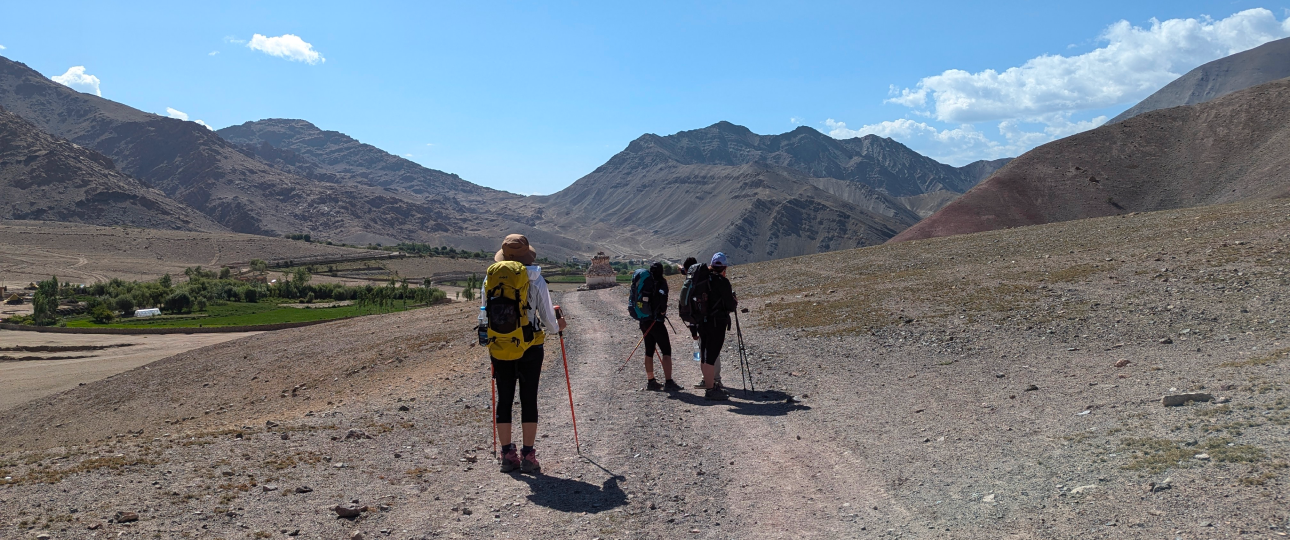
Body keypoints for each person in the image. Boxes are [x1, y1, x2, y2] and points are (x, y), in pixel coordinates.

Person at [479, 234, 566, 474]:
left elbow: (484, 315)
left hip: (499, 346)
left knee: (504, 400)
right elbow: (549, 321)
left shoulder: (490, 279)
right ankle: (528, 455)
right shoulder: (537, 280)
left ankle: (507, 455)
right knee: (528, 400)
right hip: (530, 348)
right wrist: (559, 325)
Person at [697, 252, 736, 401]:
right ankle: (711, 389)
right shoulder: (722, 282)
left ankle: (709, 385)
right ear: (724, 267)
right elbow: (730, 306)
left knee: (705, 354)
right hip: (716, 323)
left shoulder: (703, 279)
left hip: (702, 323)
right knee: (711, 357)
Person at [639, 262, 681, 391]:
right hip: (656, 322)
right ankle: (668, 382)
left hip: (644, 320)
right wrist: (662, 311)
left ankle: (651, 381)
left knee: (649, 351)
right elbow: (662, 306)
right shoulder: (661, 283)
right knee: (666, 351)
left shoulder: (646, 282)